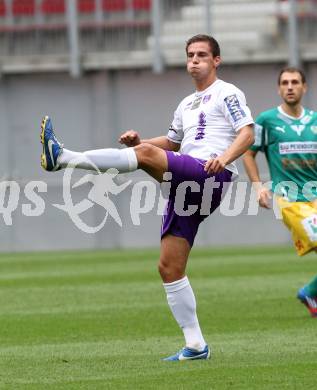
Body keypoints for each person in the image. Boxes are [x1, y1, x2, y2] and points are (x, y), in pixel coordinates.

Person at [40, 34, 254, 360]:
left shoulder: (228, 93)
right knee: (169, 267)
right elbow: (172, 143)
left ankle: (64, 157)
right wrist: (142, 142)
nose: (194, 60)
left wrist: (224, 158)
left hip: (211, 174)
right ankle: (196, 345)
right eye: (190, 55)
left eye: (201, 55)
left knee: (144, 155)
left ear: (216, 60)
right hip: (187, 183)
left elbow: (247, 133)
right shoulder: (186, 104)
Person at [243, 67, 317, 318]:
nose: (290, 86)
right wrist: (257, 187)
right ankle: (310, 290)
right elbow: (248, 153)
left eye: (295, 82)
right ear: (278, 88)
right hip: (288, 199)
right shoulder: (267, 120)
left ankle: (309, 291)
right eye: (285, 82)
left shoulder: (315, 120)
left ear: (304, 87)